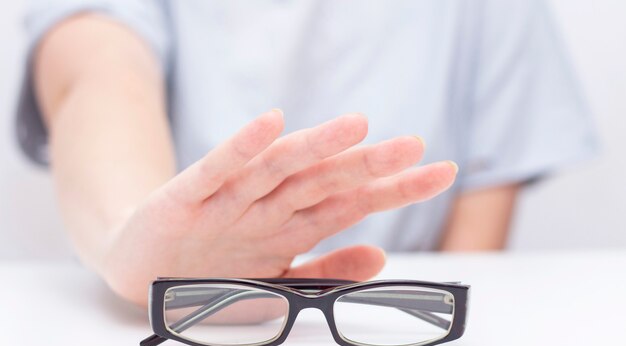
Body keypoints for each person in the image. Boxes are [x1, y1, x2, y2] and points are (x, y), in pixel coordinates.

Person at [16, 0, 597, 307]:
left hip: (401, 338)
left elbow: (476, 250)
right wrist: (128, 239)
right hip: (181, 329)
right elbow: (96, 73)